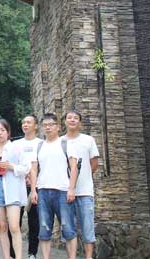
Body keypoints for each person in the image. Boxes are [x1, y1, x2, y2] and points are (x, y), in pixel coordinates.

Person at [29, 113, 78, 259]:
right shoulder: (38, 146)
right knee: (44, 231)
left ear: (58, 127)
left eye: (51, 125)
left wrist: (71, 189)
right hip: (43, 191)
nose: (48, 127)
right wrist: (33, 190)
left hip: (63, 191)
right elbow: (33, 169)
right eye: (45, 125)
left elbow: (74, 167)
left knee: (68, 230)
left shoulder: (66, 143)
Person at [64, 110, 99, 259]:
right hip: (65, 192)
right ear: (65, 121)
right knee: (68, 229)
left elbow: (94, 164)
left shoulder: (88, 140)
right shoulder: (60, 141)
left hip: (85, 191)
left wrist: (82, 176)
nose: (72, 120)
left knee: (87, 227)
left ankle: (88, 257)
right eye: (69, 118)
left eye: (75, 118)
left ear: (80, 122)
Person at [0, 119, 27, 259]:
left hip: (12, 190)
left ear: (8, 132)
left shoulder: (16, 148)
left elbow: (26, 168)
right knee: (1, 226)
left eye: (2, 130)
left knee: (14, 226)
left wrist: (11, 166)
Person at [13, 115, 42, 259]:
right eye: (23, 122)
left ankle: (32, 252)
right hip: (18, 184)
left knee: (34, 220)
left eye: (28, 122)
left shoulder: (41, 143)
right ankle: (13, 253)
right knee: (14, 220)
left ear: (35, 126)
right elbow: (13, 162)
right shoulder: (16, 144)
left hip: (35, 186)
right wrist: (23, 176)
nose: (25, 125)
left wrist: (34, 180)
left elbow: (44, 164)